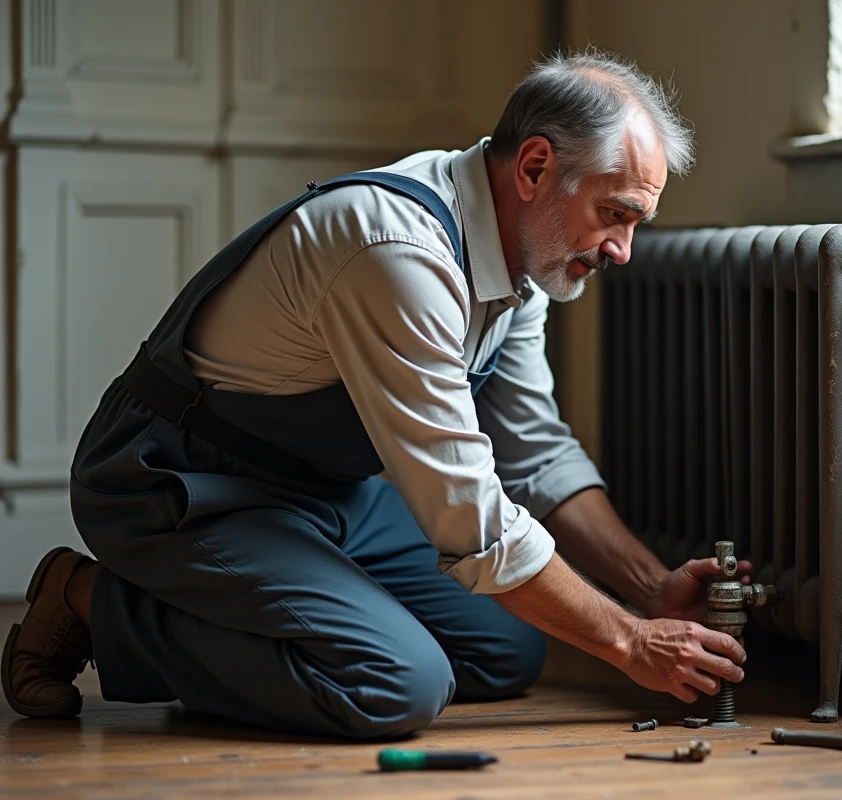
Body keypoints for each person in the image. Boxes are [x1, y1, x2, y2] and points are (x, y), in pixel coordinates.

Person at [1, 51, 748, 739]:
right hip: (178, 478)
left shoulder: (523, 259)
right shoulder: (398, 249)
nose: (623, 250)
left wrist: (648, 589)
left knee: (505, 647)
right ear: (534, 167)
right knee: (395, 683)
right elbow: (474, 525)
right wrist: (630, 642)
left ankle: (268, 609)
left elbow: (536, 454)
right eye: (614, 214)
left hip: (318, 489)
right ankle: (91, 601)